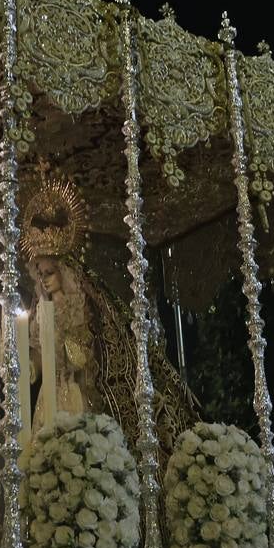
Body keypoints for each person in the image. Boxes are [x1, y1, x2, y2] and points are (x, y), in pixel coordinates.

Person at [20, 168, 196, 459]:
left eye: (49, 272)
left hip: (78, 391)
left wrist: (70, 349)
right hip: (50, 394)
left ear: (64, 271)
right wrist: (31, 365)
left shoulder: (83, 306)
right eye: (40, 273)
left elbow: (92, 354)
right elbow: (39, 353)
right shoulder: (40, 312)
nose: (44, 279)